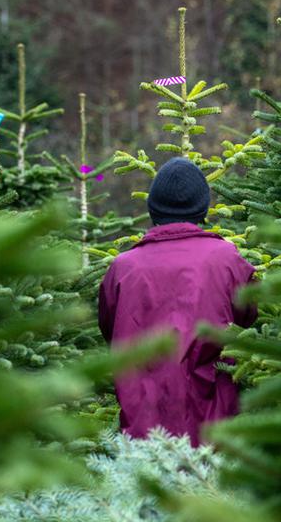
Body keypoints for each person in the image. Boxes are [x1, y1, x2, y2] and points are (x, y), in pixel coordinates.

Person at [97, 157, 257, 445]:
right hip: (213, 432)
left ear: (153, 209)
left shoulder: (123, 268)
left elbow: (110, 330)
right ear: (203, 208)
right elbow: (249, 320)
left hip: (141, 438)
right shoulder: (226, 260)